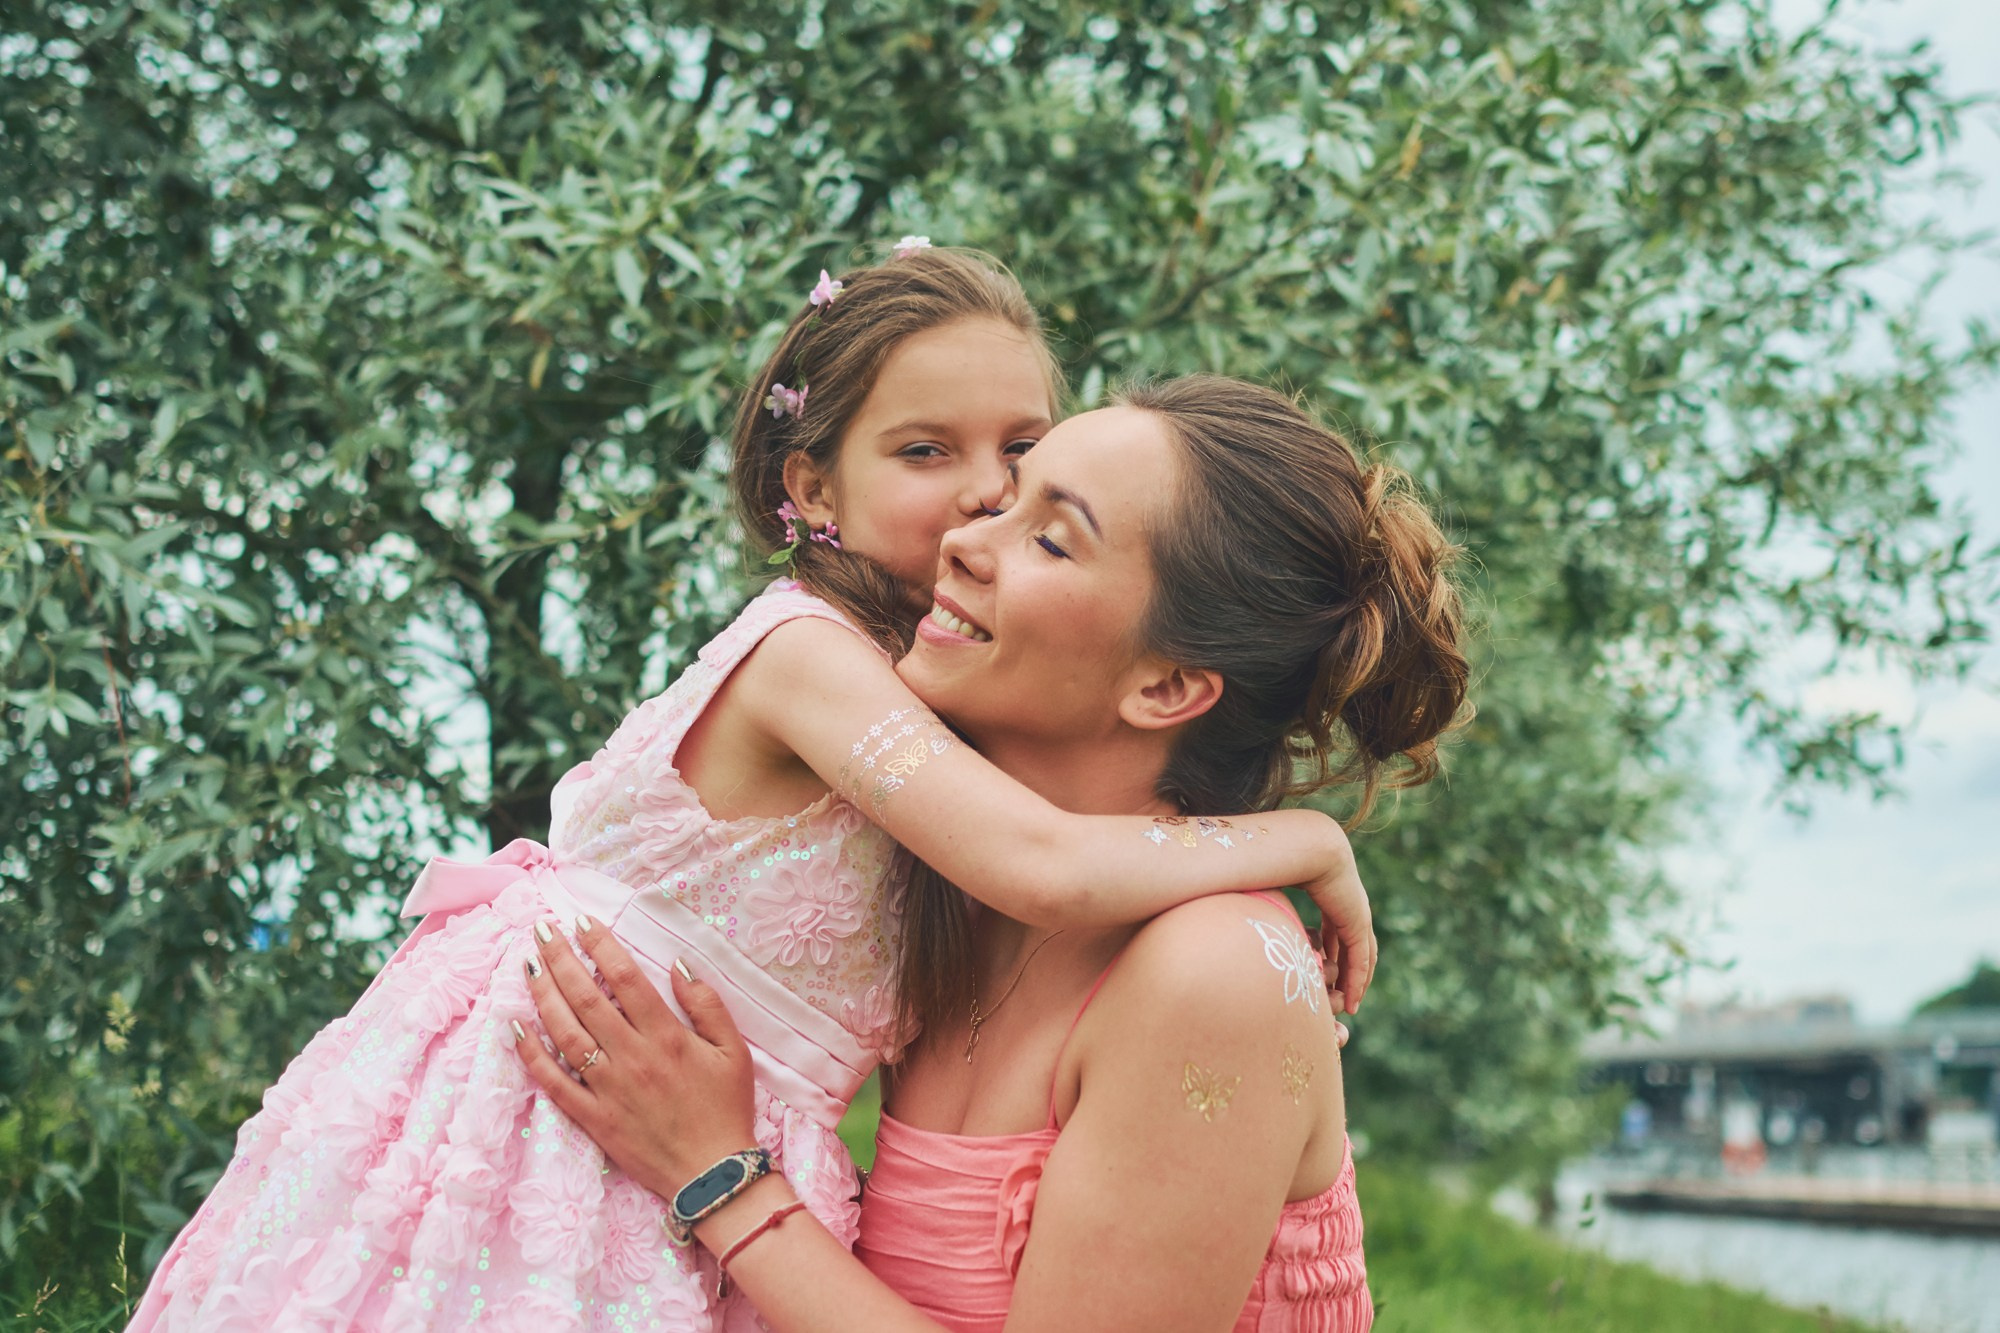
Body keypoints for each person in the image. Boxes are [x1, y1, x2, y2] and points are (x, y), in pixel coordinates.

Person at [128, 251, 1376, 1332]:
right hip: (529, 1122)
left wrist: (723, 1178)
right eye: (930, 455)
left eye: (1038, 502)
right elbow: (1039, 864)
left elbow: (1043, 863)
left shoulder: (1194, 964)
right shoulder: (825, 691)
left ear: (1169, 686)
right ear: (810, 487)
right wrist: (1304, 835)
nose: (973, 514)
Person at [518, 375, 1470, 1332]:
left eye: (1050, 537)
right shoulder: (938, 912)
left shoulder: (1213, 971)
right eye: (1006, 501)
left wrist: (719, 1177)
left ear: (1168, 686)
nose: (964, 541)